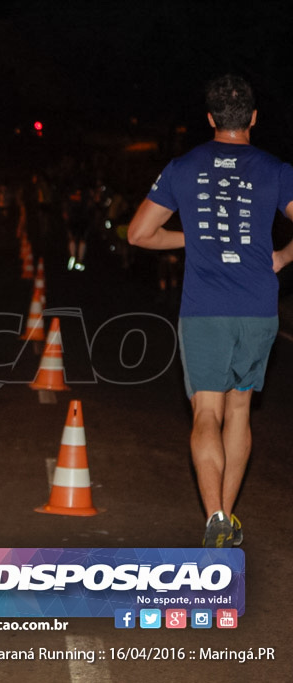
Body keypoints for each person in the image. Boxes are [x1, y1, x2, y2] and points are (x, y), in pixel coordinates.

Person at [128, 74, 293, 548]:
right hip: (259, 308)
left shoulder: (184, 167)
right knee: (240, 409)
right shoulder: (275, 168)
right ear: (254, 119)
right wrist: (281, 256)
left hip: (205, 309)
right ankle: (228, 515)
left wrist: (193, 238)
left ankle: (215, 515)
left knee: (206, 411)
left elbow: (138, 234)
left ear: (209, 119)